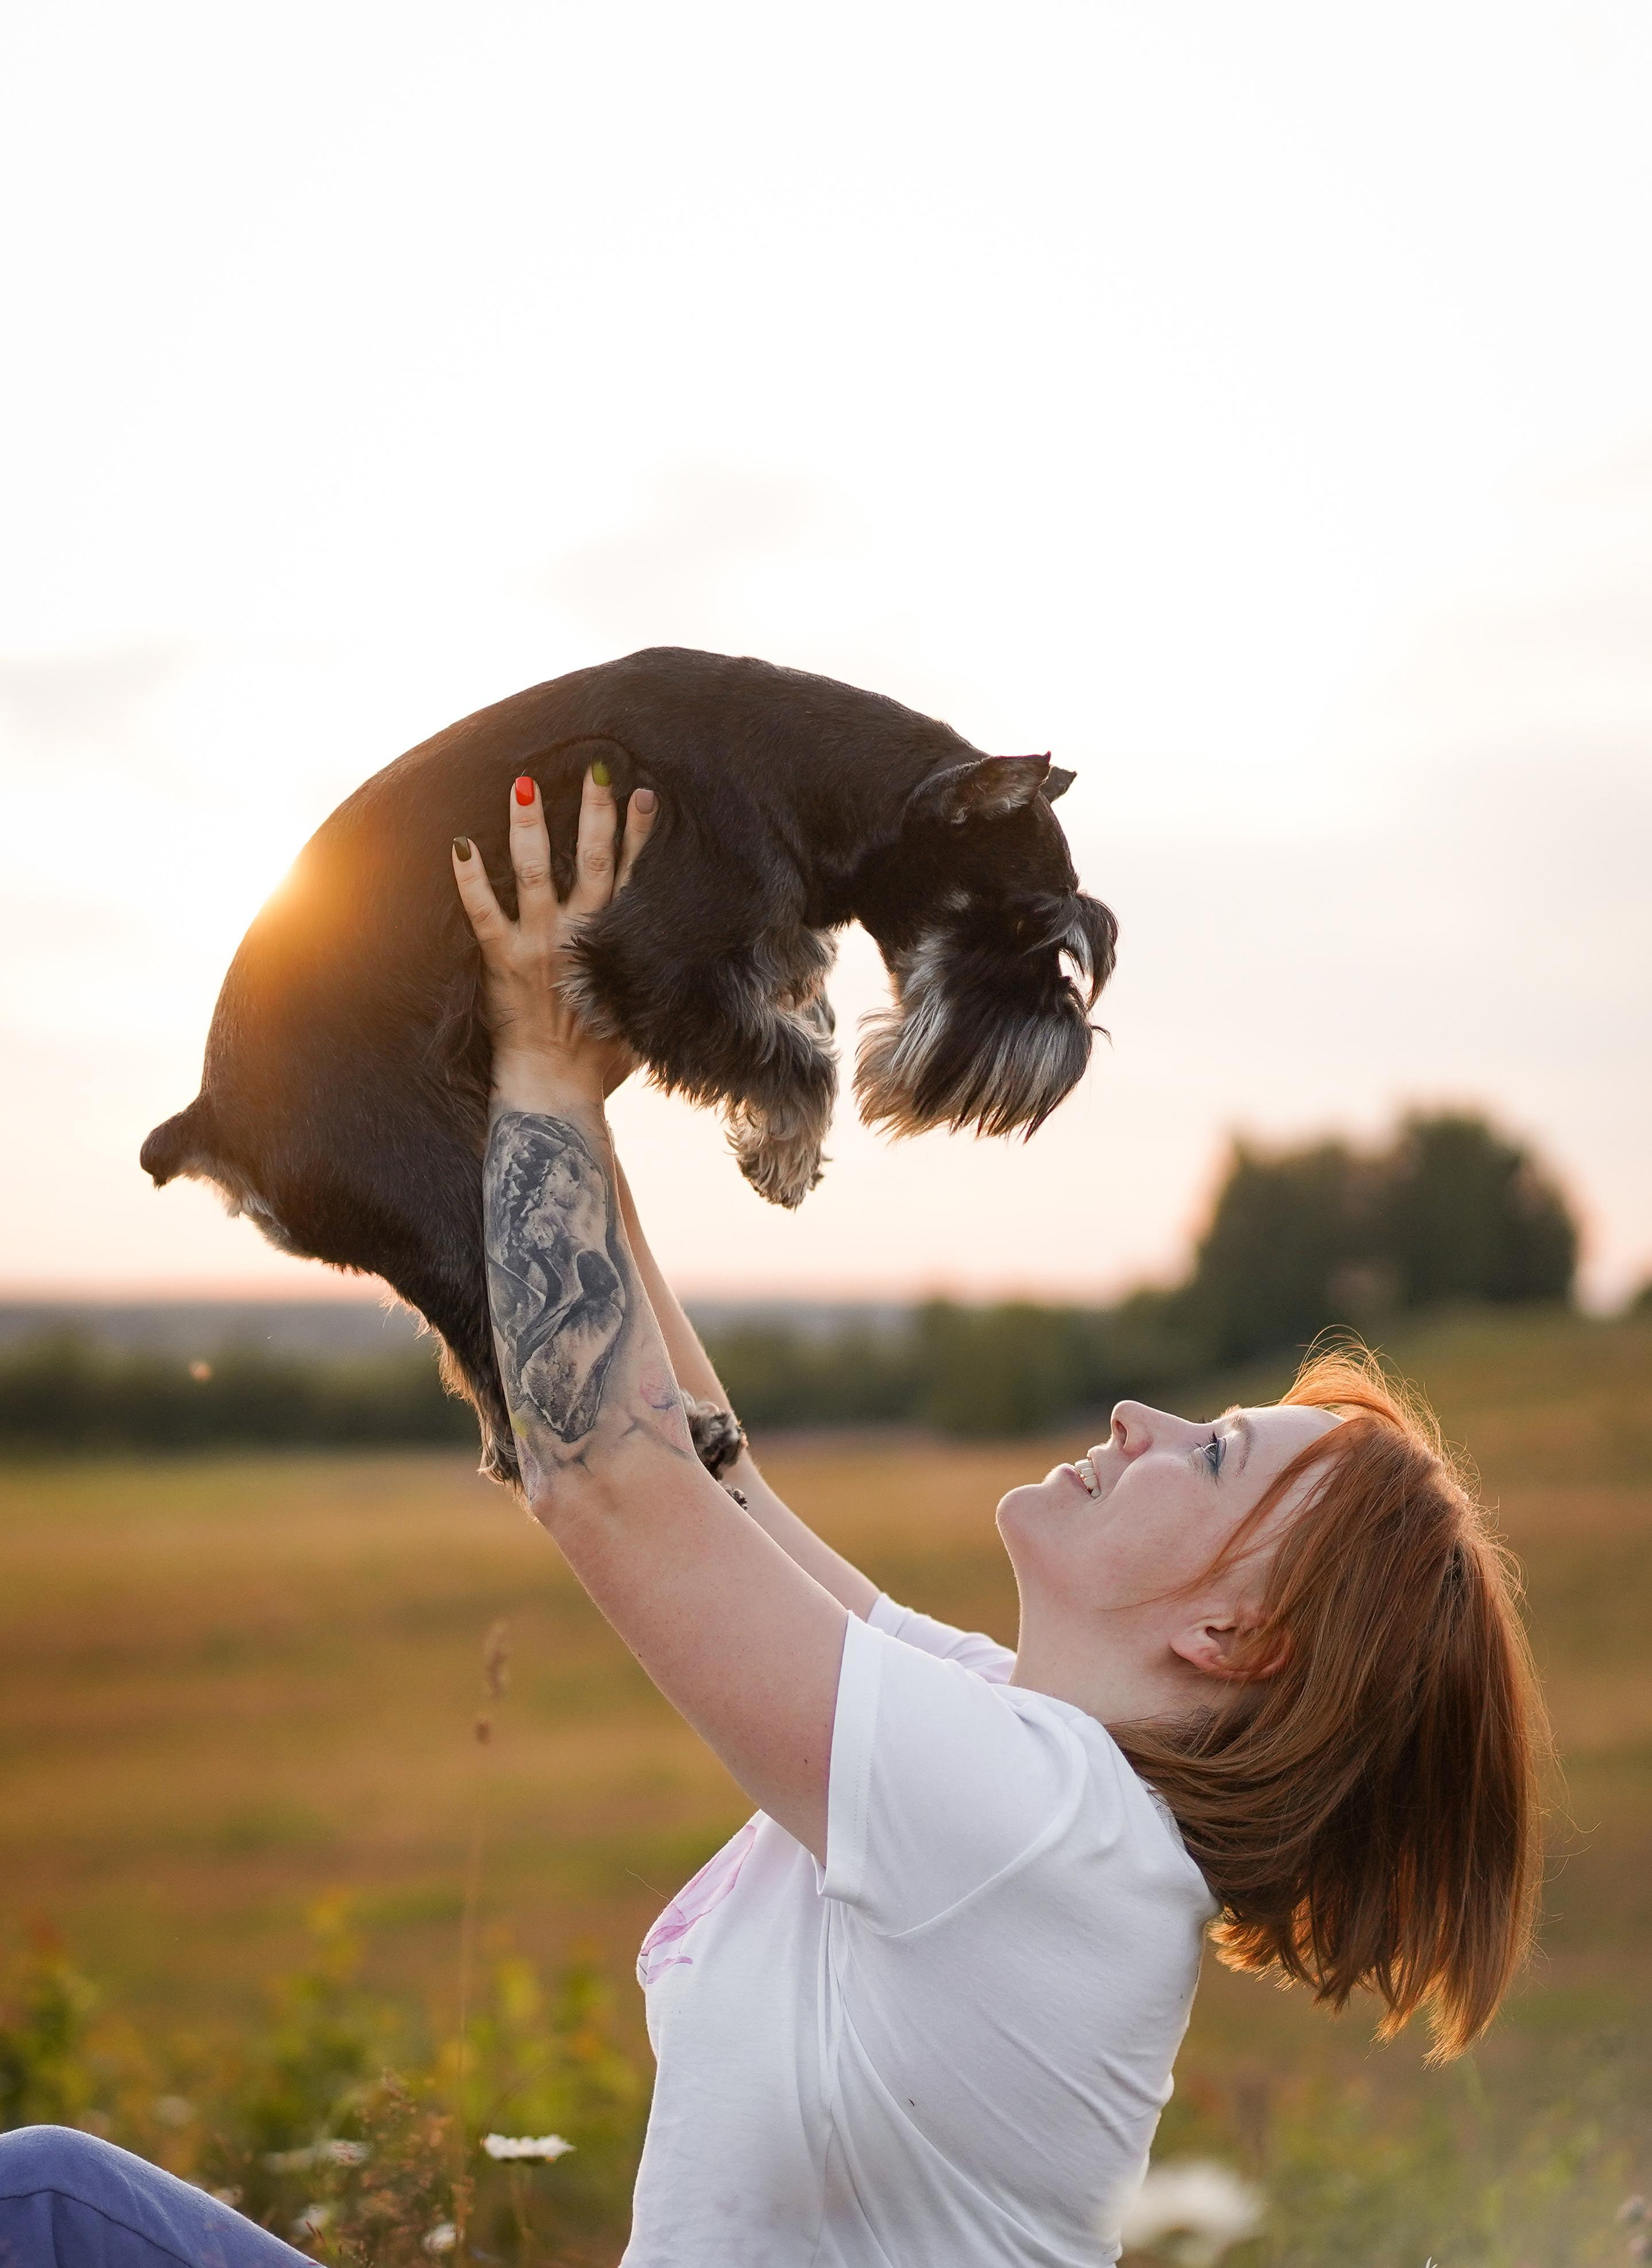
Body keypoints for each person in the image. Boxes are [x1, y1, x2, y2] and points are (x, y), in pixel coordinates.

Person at [0, 767, 1546, 2268]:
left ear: (1235, 1635)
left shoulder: (1043, 1838)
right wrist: (566, 1079)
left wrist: (536, 1075)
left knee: (43, 2215)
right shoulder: (1017, 1750)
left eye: (1204, 1458)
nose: (1138, 1422)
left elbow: (610, 1479)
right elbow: (708, 1472)